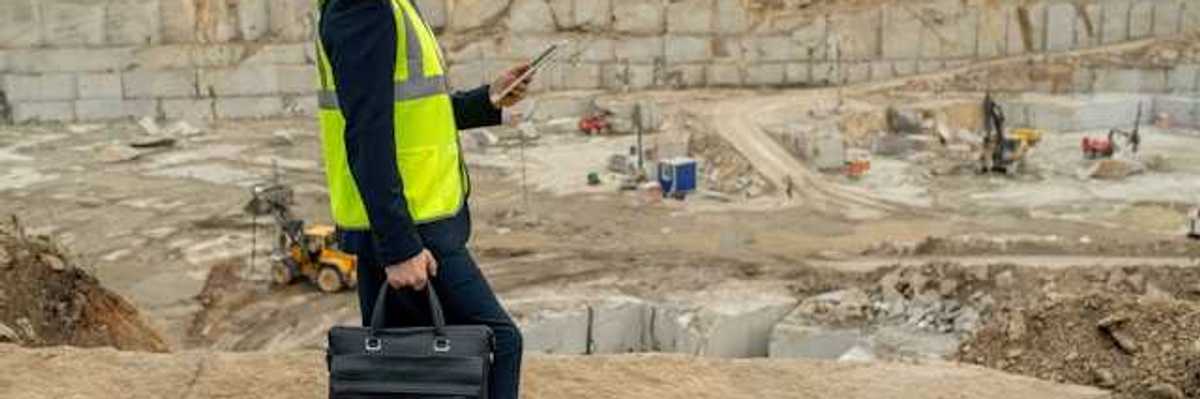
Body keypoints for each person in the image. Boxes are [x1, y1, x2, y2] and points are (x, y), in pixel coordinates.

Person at [316, 0, 531, 398]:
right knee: (501, 344)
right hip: (411, 230)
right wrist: (398, 248)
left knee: (408, 375)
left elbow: (412, 110)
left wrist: (487, 99)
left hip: (407, 223)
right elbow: (367, 130)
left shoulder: (390, 6)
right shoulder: (363, 8)